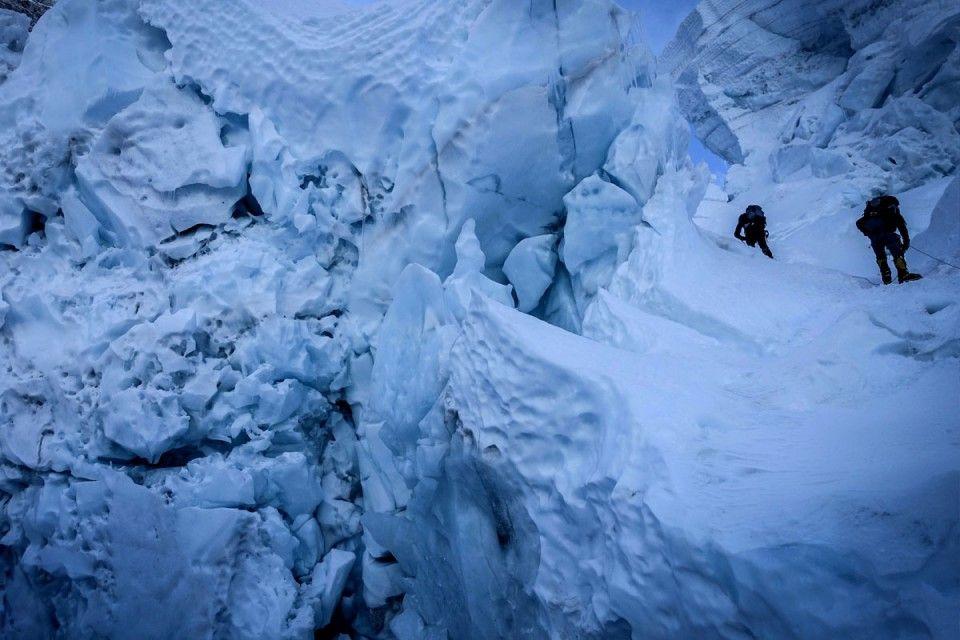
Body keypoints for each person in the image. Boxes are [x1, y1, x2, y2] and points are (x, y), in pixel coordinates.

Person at [855, 195, 922, 284]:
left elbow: (859, 223)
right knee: (898, 254)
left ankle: (886, 277)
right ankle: (903, 274)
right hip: (889, 235)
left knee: (880, 257)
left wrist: (868, 234)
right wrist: (906, 241)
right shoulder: (892, 211)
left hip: (875, 238)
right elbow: (901, 226)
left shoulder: (871, 212)